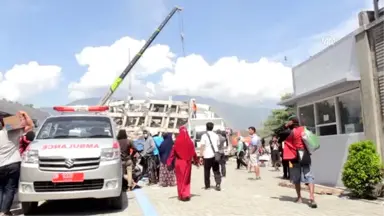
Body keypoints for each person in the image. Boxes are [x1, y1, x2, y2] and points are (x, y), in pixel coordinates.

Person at [283, 116, 317, 208]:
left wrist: (285, 126)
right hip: (305, 155)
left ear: (292, 123)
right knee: (309, 175)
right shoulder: (305, 129)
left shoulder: (290, 132)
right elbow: (313, 132)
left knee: (296, 177)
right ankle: (312, 197)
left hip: (294, 156)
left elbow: (280, 134)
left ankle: (299, 198)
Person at [167, 127, 199, 201]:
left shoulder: (177, 142)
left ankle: (181, 194)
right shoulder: (190, 142)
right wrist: (196, 162)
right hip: (187, 163)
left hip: (179, 163)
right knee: (186, 179)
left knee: (180, 179)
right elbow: (193, 153)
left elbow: (172, 154)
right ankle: (186, 194)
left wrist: (169, 162)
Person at [0, 117, 22, 216]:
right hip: (13, 164)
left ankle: (2, 211)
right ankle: (4, 212)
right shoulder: (11, 134)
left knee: (0, 189)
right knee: (10, 188)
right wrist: (22, 114)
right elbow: (29, 126)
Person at [199, 122, 221, 191]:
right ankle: (218, 184)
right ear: (212, 127)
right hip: (215, 155)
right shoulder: (216, 135)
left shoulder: (204, 136)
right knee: (216, 170)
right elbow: (218, 145)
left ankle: (207, 185)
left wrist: (200, 156)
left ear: (206, 127)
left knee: (207, 171)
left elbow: (202, 146)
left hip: (207, 156)